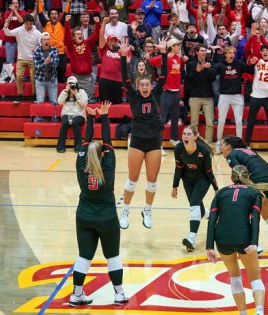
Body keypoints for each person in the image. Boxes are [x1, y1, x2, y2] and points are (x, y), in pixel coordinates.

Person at [69, 101, 129, 307]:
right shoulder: (108, 167)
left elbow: (86, 143)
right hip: (107, 218)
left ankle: (77, 294)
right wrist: (103, 116)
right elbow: (107, 140)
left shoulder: (80, 165)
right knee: (112, 255)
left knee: (84, 256)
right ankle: (119, 294)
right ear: (103, 154)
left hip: (84, 216)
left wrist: (91, 117)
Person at [118, 38, 167, 229]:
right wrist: (123, 56)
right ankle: (125, 210)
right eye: (142, 85)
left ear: (150, 85)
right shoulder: (133, 95)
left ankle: (147, 209)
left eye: (147, 84)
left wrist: (162, 53)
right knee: (132, 179)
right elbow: (124, 78)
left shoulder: (156, 93)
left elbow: (163, 78)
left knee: (152, 181)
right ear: (138, 86)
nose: (145, 87)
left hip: (154, 141)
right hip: (137, 140)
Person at [220, 136, 268, 255]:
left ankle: (256, 246)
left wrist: (250, 191)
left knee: (244, 214)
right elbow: (262, 168)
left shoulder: (231, 156)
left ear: (228, 146)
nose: (220, 148)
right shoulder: (249, 151)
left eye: (222, 145)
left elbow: (241, 174)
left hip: (260, 185)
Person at [206, 164, 265, 315]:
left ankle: (243, 313)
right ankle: (259, 311)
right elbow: (255, 219)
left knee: (234, 276)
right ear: (248, 177)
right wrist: (254, 243)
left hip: (222, 240)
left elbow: (212, 219)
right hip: (244, 238)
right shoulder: (254, 193)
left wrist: (209, 247)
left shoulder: (220, 193)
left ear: (232, 178)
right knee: (255, 277)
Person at [172, 125, 218, 251]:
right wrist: (175, 186)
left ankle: (192, 238)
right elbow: (179, 168)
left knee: (194, 203)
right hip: (187, 180)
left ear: (196, 136)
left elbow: (209, 171)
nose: (185, 136)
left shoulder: (204, 150)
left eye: (188, 134)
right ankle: (213, 216)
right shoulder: (179, 148)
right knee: (199, 210)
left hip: (203, 179)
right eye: (184, 134)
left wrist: (216, 188)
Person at [213, 46, 257, 154]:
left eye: (233, 52)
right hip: (224, 96)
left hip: (237, 96)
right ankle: (219, 143)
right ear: (226, 54)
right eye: (229, 53)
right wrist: (208, 67)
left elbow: (250, 71)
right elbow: (212, 73)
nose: (231, 54)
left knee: (238, 121)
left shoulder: (239, 64)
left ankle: (239, 145)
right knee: (221, 120)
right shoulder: (220, 65)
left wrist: (252, 63)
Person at [149, 37, 186, 147]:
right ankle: (158, 143)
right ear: (172, 47)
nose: (179, 47)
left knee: (175, 117)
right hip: (166, 92)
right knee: (163, 118)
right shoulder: (165, 58)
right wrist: (159, 52)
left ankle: (174, 139)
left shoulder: (178, 58)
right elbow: (151, 61)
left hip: (176, 92)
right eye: (177, 45)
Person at [245, 42, 268, 157]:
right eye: (263, 51)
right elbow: (254, 50)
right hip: (256, 95)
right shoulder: (257, 62)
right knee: (250, 122)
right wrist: (255, 37)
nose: (265, 52)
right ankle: (247, 145)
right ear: (260, 53)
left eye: (267, 51)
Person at [64, 15, 101, 104]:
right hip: (75, 76)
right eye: (77, 34)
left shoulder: (87, 43)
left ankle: (90, 116)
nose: (80, 35)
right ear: (74, 37)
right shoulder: (70, 45)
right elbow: (67, 36)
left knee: (90, 100)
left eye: (81, 34)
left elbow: (95, 35)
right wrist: (67, 22)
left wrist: (97, 23)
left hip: (87, 76)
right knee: (76, 100)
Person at [186, 44, 215, 143]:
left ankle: (208, 144)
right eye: (201, 51)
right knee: (194, 123)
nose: (203, 52)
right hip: (195, 96)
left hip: (208, 97)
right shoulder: (191, 64)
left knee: (210, 122)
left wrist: (208, 70)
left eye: (205, 51)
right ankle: (194, 143)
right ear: (197, 52)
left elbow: (213, 78)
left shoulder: (210, 63)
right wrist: (197, 71)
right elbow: (189, 81)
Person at [99, 17, 129, 105]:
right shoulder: (104, 49)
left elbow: (126, 65)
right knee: (104, 105)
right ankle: (104, 119)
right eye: (110, 41)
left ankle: (115, 120)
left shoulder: (121, 51)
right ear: (107, 42)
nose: (112, 42)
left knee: (116, 105)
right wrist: (103, 24)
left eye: (114, 41)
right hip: (105, 80)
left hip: (117, 81)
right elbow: (101, 35)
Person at [57, 76, 88, 153]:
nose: (71, 86)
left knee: (75, 122)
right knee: (64, 123)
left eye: (73, 84)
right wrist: (65, 91)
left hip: (79, 115)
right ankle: (60, 147)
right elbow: (60, 102)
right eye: (69, 84)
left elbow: (84, 104)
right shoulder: (65, 92)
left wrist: (76, 94)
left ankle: (78, 147)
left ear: (76, 84)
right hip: (66, 114)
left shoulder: (81, 92)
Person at [33, 32, 59, 104]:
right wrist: (46, 63)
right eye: (44, 39)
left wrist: (49, 63)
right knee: (40, 102)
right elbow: (36, 66)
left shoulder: (55, 50)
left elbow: (55, 65)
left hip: (52, 79)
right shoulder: (36, 51)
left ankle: (54, 116)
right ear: (41, 41)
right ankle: (38, 115)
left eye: (48, 39)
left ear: (50, 41)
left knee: (54, 102)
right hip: (40, 79)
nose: (46, 41)